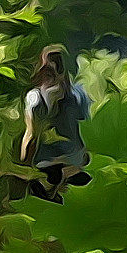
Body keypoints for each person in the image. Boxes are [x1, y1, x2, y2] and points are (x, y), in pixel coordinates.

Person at [20, 44, 92, 202]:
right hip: (75, 162)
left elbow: (31, 135)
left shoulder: (35, 97)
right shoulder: (79, 94)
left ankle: (49, 187)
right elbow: (86, 130)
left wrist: (24, 165)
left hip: (45, 165)